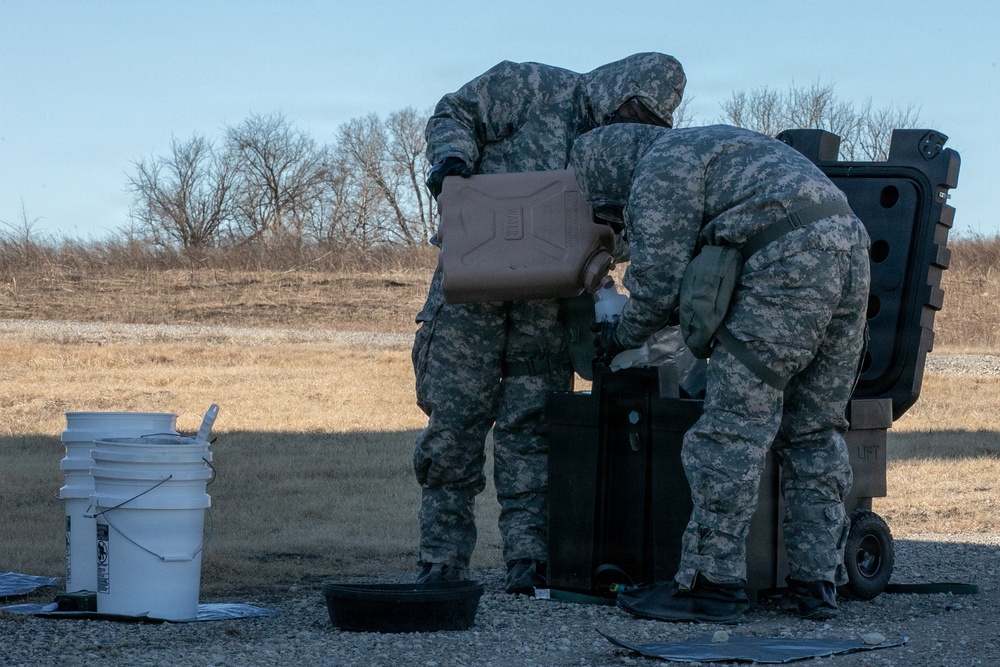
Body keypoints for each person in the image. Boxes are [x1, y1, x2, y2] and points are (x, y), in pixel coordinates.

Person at [570, 123, 871, 622]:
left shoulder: (659, 165)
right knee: (814, 430)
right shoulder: (714, 143)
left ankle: (711, 584)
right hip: (850, 252)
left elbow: (657, 282)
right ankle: (816, 582)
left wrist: (617, 338)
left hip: (787, 263)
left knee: (730, 432)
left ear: (607, 174)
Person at [413, 53, 687, 594]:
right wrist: (451, 167)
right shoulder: (528, 85)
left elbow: (628, 227)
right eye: (633, 108)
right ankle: (442, 560)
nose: (634, 122)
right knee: (454, 427)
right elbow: (453, 115)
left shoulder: (629, 147)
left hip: (548, 309)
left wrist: (612, 248)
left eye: (648, 120)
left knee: (533, 431)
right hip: (473, 294)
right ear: (618, 86)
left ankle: (528, 561)